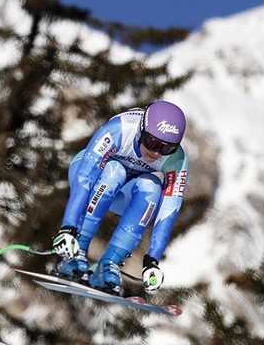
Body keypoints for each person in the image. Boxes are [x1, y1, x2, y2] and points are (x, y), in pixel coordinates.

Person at [51, 101, 189, 296]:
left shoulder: (177, 160)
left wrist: (153, 260)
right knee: (115, 171)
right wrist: (68, 227)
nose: (157, 152)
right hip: (89, 177)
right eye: (153, 143)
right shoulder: (120, 130)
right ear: (141, 130)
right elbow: (85, 177)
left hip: (124, 194)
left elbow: (169, 210)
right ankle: (75, 253)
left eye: (167, 148)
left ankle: (109, 265)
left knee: (153, 187)